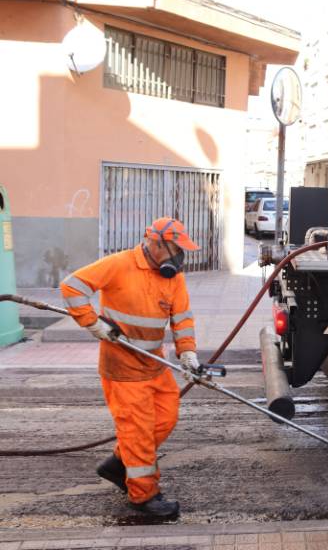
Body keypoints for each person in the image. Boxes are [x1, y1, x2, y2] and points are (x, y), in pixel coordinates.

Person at [60, 217, 201, 518]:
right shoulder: (119, 264)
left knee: (165, 418)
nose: (180, 256)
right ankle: (144, 496)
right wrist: (93, 323)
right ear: (156, 243)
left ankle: (116, 465)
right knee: (136, 432)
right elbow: (72, 286)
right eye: (176, 248)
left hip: (154, 365)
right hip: (122, 367)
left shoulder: (173, 277)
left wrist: (188, 354)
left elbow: (182, 319)